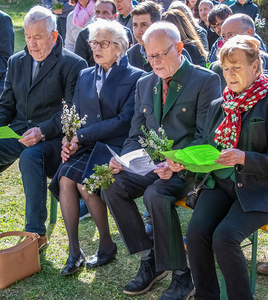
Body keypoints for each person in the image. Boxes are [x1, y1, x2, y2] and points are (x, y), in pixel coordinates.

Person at [102, 22, 221, 299]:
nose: (154, 62)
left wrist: (177, 162)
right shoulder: (145, 83)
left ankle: (182, 275)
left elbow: (207, 137)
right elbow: (135, 135)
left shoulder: (204, 80)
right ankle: (150, 259)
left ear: (179, 48)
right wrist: (124, 160)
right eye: (148, 55)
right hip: (152, 165)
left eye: (160, 55)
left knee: (156, 195)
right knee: (112, 185)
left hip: (188, 169)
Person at [0, 6, 87, 252]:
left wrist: (42, 131)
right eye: (28, 36)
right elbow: (6, 106)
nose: (31, 43)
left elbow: (71, 113)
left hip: (52, 137)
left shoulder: (74, 64)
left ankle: (35, 233)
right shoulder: (16, 61)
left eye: (38, 37)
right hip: (20, 132)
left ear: (54, 37)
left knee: (30, 157)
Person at [49, 18, 144, 275]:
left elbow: (125, 121)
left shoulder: (136, 77)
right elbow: (77, 113)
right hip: (86, 144)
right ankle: (74, 251)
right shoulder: (85, 74)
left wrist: (81, 135)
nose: (96, 48)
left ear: (120, 47)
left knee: (83, 181)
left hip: (115, 147)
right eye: (94, 42)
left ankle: (105, 244)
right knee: (66, 179)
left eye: (104, 43)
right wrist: (69, 140)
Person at [183, 35, 268, 300]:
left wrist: (245, 157)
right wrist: (182, 162)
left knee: (225, 238)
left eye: (237, 67)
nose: (230, 74)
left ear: (255, 68)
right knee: (196, 235)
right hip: (220, 184)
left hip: (258, 188)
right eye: (226, 68)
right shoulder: (219, 105)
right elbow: (206, 146)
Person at [210, 13, 268, 91]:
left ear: (249, 33)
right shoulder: (217, 68)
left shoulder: (266, 61)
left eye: (231, 35)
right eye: (223, 36)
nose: (226, 41)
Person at [74, 0, 134, 67]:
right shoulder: (84, 35)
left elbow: (129, 61)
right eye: (97, 12)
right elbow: (80, 65)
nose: (100, 16)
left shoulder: (125, 33)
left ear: (115, 16)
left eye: (105, 13)